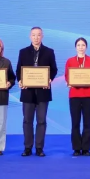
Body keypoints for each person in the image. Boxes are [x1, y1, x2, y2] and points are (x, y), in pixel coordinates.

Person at [16, 26, 58, 157]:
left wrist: (49, 79)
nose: (36, 37)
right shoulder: (23, 52)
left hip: (43, 92)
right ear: (30, 36)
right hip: (27, 92)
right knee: (27, 121)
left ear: (42, 36)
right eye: (33, 35)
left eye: (38, 35)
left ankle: (39, 148)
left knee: (41, 121)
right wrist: (20, 80)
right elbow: (19, 70)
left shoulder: (49, 52)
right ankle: (27, 148)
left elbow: (54, 69)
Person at [64, 37, 90, 156]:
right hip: (74, 95)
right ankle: (77, 148)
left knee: (87, 123)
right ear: (75, 47)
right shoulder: (70, 61)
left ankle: (86, 148)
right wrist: (69, 82)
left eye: (83, 45)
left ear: (86, 47)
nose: (81, 47)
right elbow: (67, 76)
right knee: (75, 122)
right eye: (78, 45)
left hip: (88, 95)